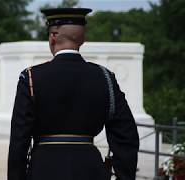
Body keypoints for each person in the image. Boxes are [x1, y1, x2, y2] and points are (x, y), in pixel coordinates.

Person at [8, 8, 139, 180]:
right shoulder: (105, 77)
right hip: (91, 171)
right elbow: (126, 136)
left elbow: (19, 140)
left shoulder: (31, 77)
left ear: (52, 37)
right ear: (82, 39)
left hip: (43, 170)